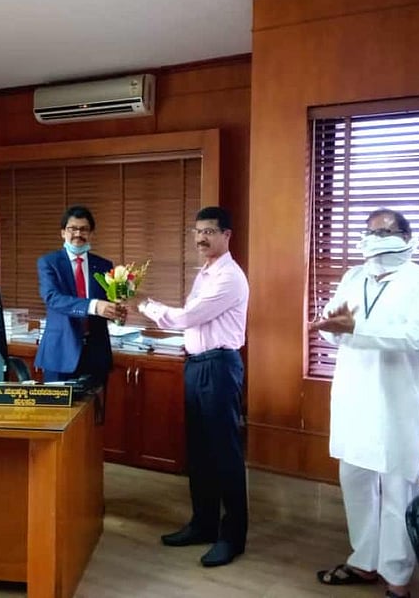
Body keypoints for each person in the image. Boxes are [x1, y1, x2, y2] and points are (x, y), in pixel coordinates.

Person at [311, 209, 419, 598]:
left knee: (397, 486)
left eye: (387, 230)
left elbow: (417, 336)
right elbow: (335, 327)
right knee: (355, 481)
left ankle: (398, 579)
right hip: (354, 393)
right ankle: (364, 560)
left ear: (407, 235)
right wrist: (330, 327)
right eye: (371, 231)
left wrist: (357, 328)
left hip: (397, 398)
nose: (377, 237)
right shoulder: (354, 276)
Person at [138, 206, 249, 568]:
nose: (201, 238)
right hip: (197, 365)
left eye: (210, 232)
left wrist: (147, 306)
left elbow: (188, 317)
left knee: (225, 454)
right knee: (199, 452)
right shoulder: (204, 273)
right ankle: (203, 524)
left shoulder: (229, 276)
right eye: (197, 231)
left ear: (226, 235)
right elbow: (193, 325)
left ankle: (232, 537)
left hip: (219, 368)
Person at [34, 205, 125, 387]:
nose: (78, 234)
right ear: (62, 233)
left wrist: (117, 312)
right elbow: (52, 297)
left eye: (84, 229)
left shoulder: (104, 265)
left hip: (96, 352)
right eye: (72, 229)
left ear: (91, 234)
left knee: (94, 413)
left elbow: (107, 303)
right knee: (58, 413)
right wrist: (93, 306)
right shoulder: (49, 263)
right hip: (61, 351)